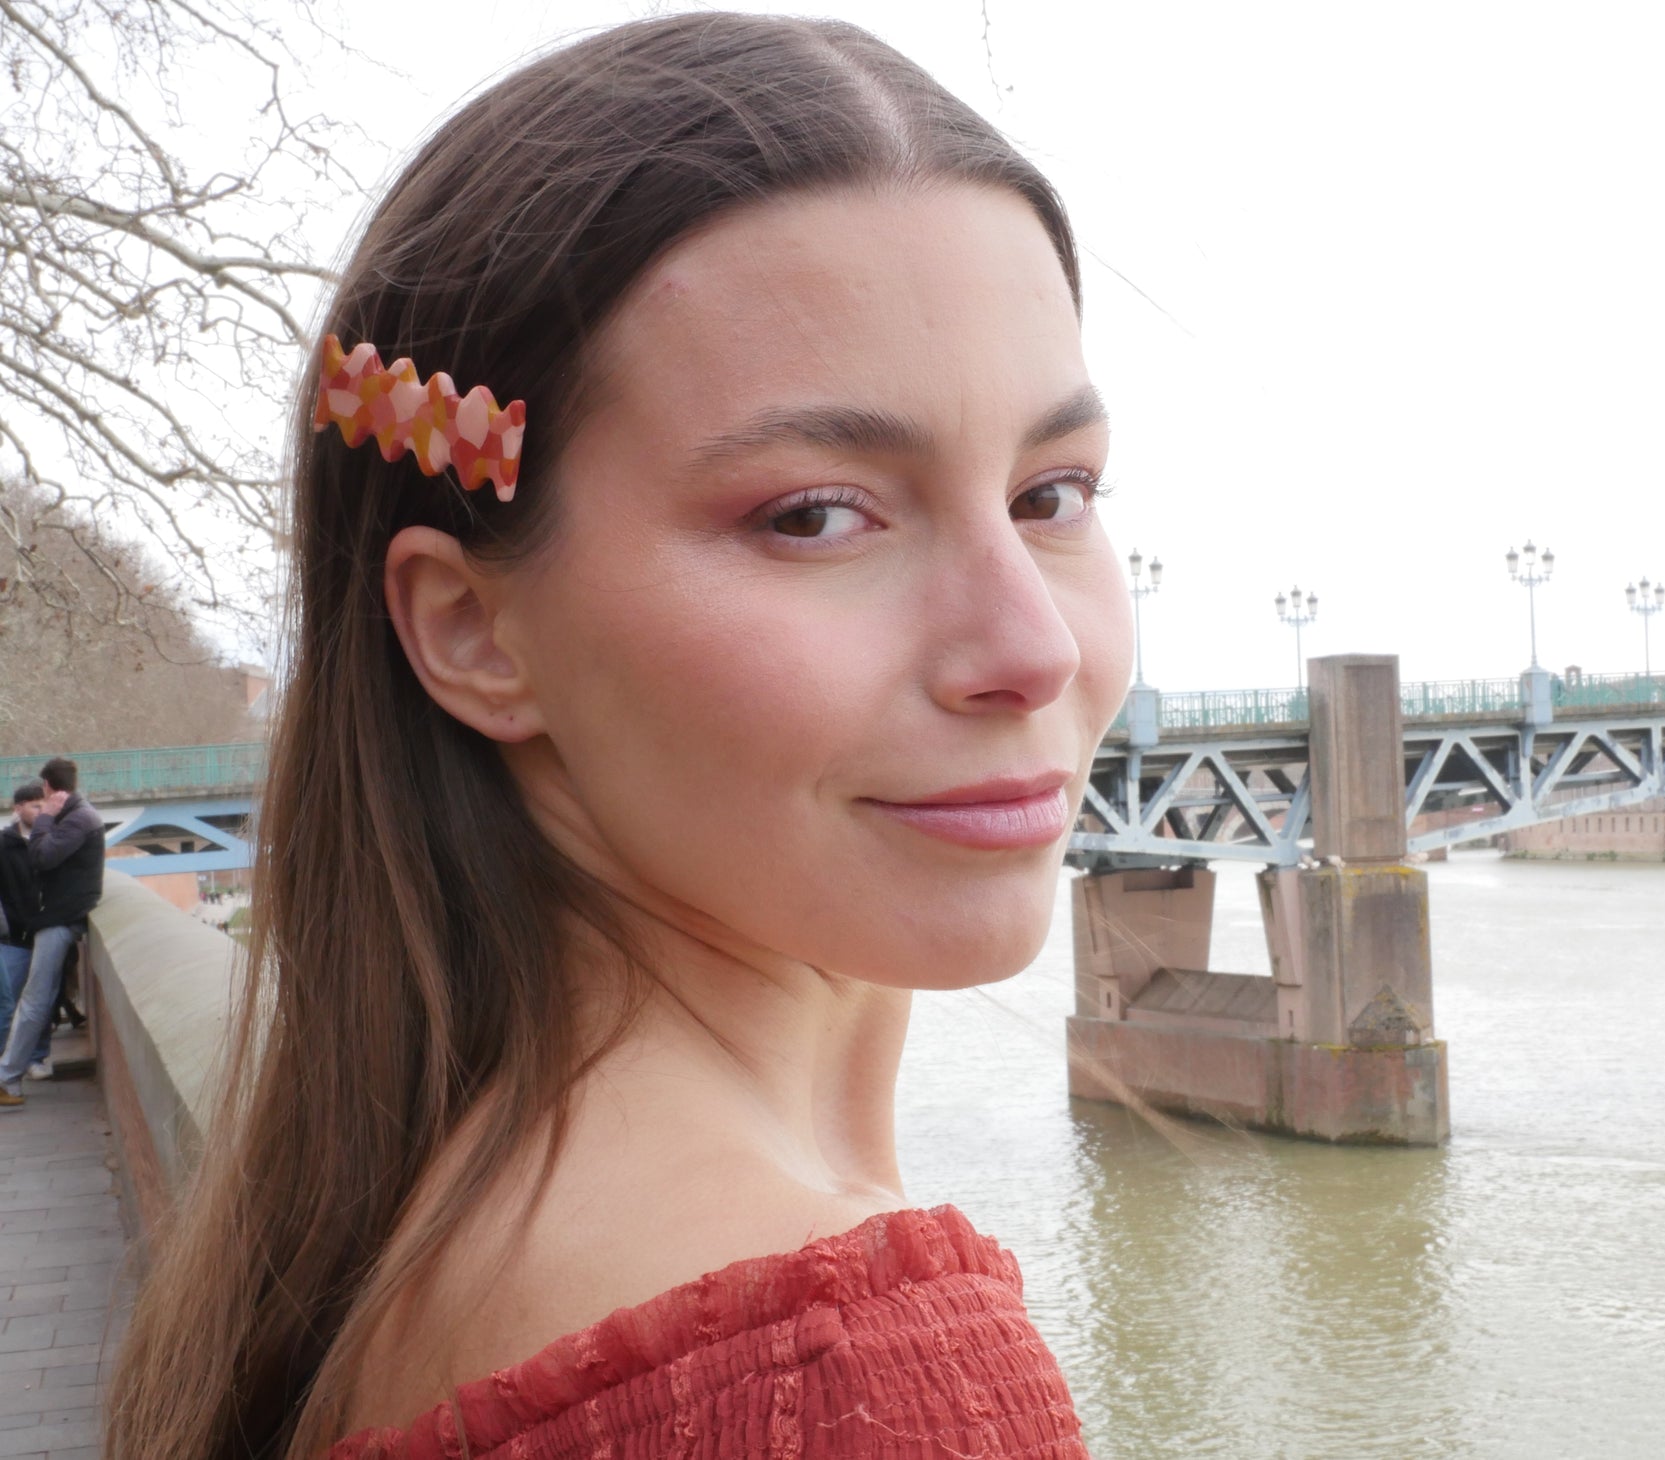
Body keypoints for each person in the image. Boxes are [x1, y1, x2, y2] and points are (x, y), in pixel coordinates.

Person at [109, 16, 1126, 1460]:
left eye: (1052, 494)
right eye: (813, 515)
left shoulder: (397, 1228)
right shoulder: (835, 1380)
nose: (1032, 649)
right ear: (471, 631)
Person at [0, 758, 105, 1106]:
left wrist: (44, 818)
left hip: (59, 916)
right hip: (61, 915)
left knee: (33, 1000)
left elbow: (42, 858)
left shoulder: (79, 818)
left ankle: (6, 1078)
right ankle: (9, 1076)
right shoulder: (81, 814)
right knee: (36, 998)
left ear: (46, 786)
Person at [0, 784, 53, 1080]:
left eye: (43, 805)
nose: (40, 810)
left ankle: (36, 1058)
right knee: (7, 1002)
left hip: (47, 931)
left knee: (43, 1001)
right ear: (18, 808)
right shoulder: (4, 845)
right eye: (34, 805)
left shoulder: (53, 842)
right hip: (13, 937)